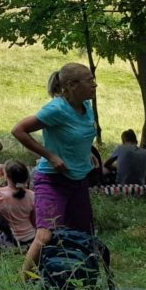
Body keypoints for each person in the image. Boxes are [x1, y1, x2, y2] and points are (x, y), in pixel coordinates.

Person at [12, 62, 98, 278]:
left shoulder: (86, 107)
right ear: (72, 85)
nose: (95, 85)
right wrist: (50, 156)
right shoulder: (57, 109)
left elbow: (80, 136)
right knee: (45, 235)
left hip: (78, 181)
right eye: (90, 81)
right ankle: (22, 284)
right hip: (52, 181)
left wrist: (85, 155)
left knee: (83, 235)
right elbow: (18, 130)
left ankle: (78, 280)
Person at [0, 160, 36, 247]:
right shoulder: (32, 195)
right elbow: (34, 220)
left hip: (10, 241)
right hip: (30, 238)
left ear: (6, 176)